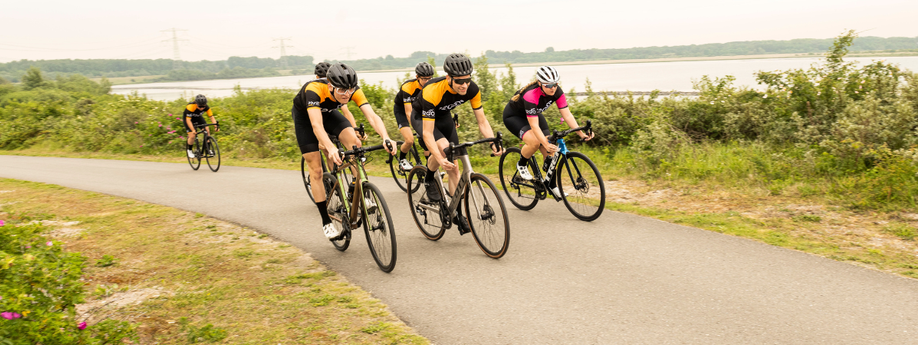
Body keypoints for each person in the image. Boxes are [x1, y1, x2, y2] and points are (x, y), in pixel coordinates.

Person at [292, 63, 395, 239]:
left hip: (329, 114)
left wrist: (386, 136)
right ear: (330, 86)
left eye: (350, 90)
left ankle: (357, 188)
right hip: (306, 120)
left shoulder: (352, 90)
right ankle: (326, 221)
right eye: (342, 90)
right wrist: (330, 147)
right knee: (316, 169)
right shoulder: (314, 89)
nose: (347, 94)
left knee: (355, 143)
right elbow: (316, 125)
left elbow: (371, 116)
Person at [410, 53, 502, 234]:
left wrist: (492, 141)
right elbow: (428, 134)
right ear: (448, 78)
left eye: (467, 80)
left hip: (444, 117)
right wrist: (438, 157)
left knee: (455, 168)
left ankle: (456, 212)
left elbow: (482, 121)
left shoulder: (472, 89)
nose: (464, 85)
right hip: (422, 117)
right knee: (443, 151)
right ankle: (429, 178)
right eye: (459, 81)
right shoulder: (432, 91)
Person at [502, 66, 593, 197]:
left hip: (533, 114)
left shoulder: (557, 91)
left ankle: (551, 185)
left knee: (551, 149)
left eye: (555, 84)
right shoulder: (530, 94)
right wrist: (544, 143)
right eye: (548, 85)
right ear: (540, 83)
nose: (553, 88)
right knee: (534, 142)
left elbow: (567, 115)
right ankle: (521, 164)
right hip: (514, 117)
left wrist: (581, 134)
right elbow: (534, 126)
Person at [392, 62, 435, 170]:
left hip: (418, 109)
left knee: (428, 138)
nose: (427, 81)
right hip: (401, 110)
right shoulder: (408, 87)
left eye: (429, 78)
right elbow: (408, 112)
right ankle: (402, 160)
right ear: (417, 77)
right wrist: (418, 128)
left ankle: (429, 169)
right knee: (410, 140)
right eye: (424, 79)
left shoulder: (432, 86)